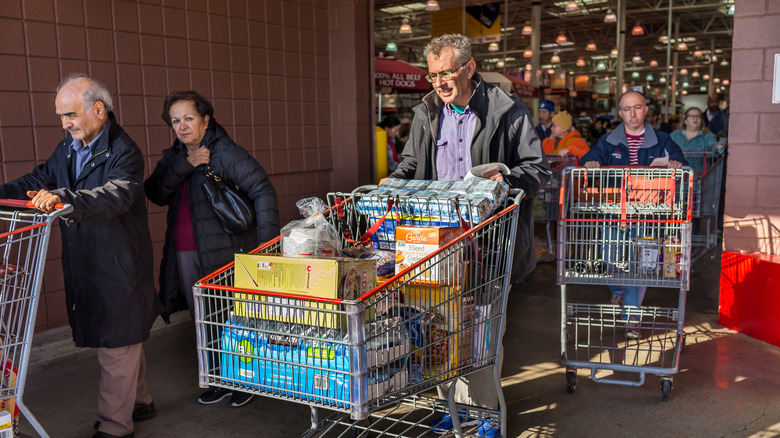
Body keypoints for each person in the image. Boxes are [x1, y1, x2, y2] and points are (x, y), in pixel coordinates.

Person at [384, 33, 550, 438]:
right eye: (433, 75)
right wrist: (393, 181)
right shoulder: (427, 112)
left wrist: (507, 176)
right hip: (438, 242)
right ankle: (453, 407)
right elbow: (411, 163)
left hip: (490, 244)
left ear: (469, 68)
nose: (439, 82)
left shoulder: (505, 111)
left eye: (447, 72)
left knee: (481, 332)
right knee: (440, 325)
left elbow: (537, 169)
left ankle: (487, 414)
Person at [0, 74, 161, 438]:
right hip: (87, 259)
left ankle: (115, 425)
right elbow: (37, 179)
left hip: (118, 262)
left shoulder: (125, 151)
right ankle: (140, 401)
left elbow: (115, 195)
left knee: (117, 341)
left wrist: (64, 199)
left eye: (69, 114)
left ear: (98, 110)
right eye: (60, 116)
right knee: (124, 337)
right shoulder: (67, 148)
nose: (64, 123)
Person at [144, 91, 279, 408]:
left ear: (206, 119)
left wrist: (267, 245)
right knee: (203, 318)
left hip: (226, 249)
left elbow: (262, 189)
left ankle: (244, 381)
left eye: (188, 118)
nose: (182, 126)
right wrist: (185, 164)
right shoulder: (177, 155)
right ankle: (218, 379)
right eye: (175, 121)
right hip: (186, 250)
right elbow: (155, 192)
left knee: (234, 318)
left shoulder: (224, 151)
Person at [581, 90, 688, 339]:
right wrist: (592, 163)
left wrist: (675, 163)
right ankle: (618, 288)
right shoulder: (608, 141)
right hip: (614, 213)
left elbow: (680, 161)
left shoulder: (663, 140)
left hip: (646, 214)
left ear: (646, 109)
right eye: (627, 109)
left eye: (637, 107)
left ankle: (631, 318)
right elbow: (590, 158)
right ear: (620, 113)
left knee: (640, 267)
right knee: (611, 262)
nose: (632, 113)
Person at [670, 107, 717, 173]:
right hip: (677, 175)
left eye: (698, 116)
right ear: (685, 120)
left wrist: (719, 146)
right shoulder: (674, 135)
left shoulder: (708, 136)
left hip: (699, 177)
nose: (695, 118)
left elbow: (713, 146)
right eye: (692, 116)